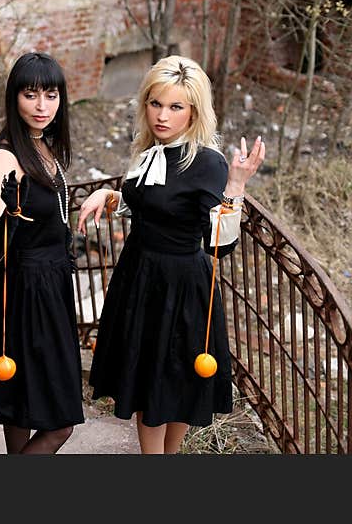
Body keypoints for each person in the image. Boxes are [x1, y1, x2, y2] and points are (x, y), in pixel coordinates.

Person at [77, 55, 266, 454]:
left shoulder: (207, 162)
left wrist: (235, 184)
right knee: (150, 387)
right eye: (155, 103)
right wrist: (108, 195)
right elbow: (144, 201)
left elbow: (220, 241)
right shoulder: (149, 150)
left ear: (194, 111)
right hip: (140, 275)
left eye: (175, 107)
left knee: (176, 381)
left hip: (180, 283)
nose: (163, 115)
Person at [0, 52, 85, 454]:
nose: (42, 106)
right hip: (27, 292)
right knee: (59, 424)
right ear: (14, 98)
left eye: (51, 95)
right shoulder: (7, 155)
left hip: (50, 285)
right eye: (31, 95)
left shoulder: (43, 146)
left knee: (23, 409)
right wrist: (11, 212)